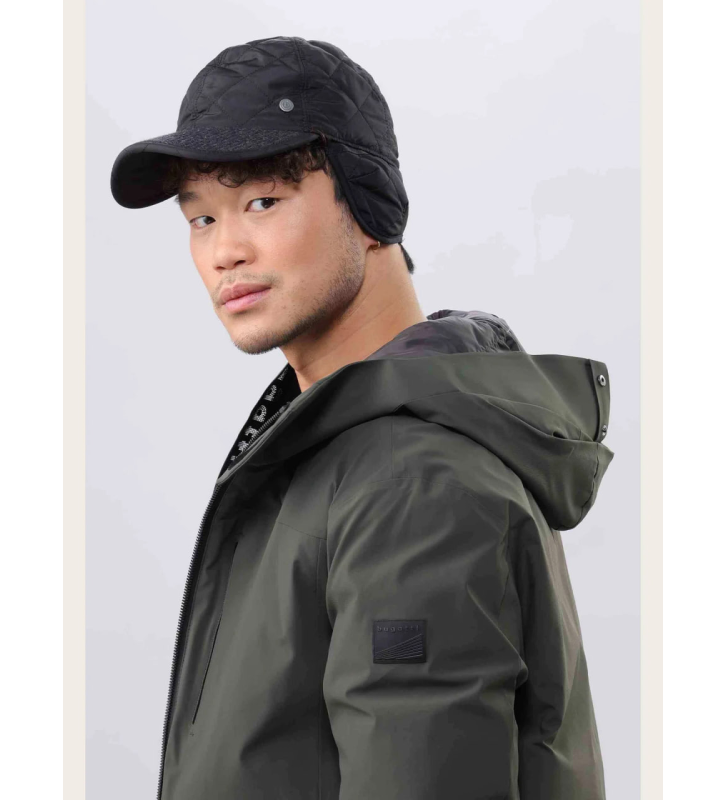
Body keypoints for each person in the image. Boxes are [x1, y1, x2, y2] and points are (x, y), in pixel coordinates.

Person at [110, 35, 614, 800]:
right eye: (200, 218)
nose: (223, 251)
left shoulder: (411, 488)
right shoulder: (337, 457)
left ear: (369, 202)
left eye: (261, 201)